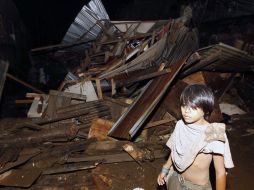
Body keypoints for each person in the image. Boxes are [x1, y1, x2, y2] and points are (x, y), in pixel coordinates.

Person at [157, 84, 234, 190]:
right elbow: (176, 151)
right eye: (184, 105)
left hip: (197, 187)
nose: (186, 111)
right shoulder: (180, 125)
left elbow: (220, 172)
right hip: (176, 179)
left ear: (206, 110)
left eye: (193, 107)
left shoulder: (213, 132)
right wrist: (165, 169)